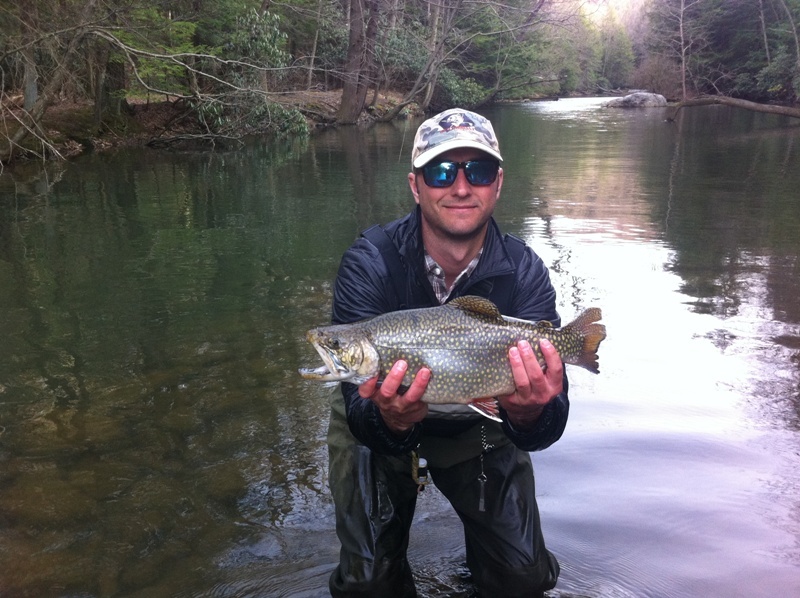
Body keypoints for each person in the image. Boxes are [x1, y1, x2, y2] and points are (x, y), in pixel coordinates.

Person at [326, 108, 568, 598]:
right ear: (416, 185)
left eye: (476, 171)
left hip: (480, 422)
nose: (460, 187)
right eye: (441, 171)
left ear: (497, 184)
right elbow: (356, 404)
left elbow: (550, 423)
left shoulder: (524, 271)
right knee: (368, 586)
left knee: (522, 581)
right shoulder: (370, 262)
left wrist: (530, 413)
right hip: (377, 416)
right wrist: (390, 421)